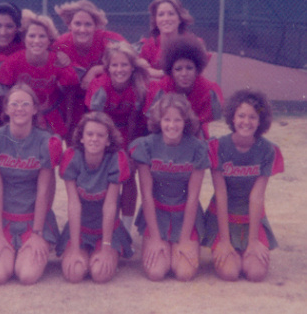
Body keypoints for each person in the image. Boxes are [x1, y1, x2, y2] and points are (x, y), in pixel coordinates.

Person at [0, 83, 62, 285]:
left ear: (34, 109)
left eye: (25, 104)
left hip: (34, 220)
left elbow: (45, 191)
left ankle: (33, 243)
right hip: (4, 220)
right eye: (14, 104)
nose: (20, 109)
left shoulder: (46, 141)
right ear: (6, 109)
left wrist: (37, 234)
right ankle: (5, 243)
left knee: (27, 275)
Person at [203, 89, 284, 282]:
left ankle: (249, 243)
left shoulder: (268, 150)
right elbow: (220, 193)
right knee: (229, 273)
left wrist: (254, 241)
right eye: (241, 115)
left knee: (255, 273)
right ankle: (226, 244)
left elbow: (256, 197)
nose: (246, 122)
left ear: (260, 120)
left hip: (251, 219)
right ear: (232, 116)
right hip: (223, 218)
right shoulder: (218, 146)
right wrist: (224, 241)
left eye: (252, 117)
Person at [129, 93, 210, 281]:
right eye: (167, 119)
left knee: (184, 273)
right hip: (157, 213)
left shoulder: (197, 148)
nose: (171, 125)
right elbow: (146, 196)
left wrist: (183, 240)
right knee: (156, 272)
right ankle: (160, 241)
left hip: (185, 215)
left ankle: (180, 243)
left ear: (185, 121)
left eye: (177, 120)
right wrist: (156, 239)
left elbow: (192, 197)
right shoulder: (147, 146)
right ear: (159, 120)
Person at [56, 111, 133, 283]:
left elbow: (110, 206)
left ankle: (108, 251)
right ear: (81, 137)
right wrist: (75, 248)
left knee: (100, 274)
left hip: (106, 230)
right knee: (74, 273)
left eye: (100, 135)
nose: (94, 139)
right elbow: (74, 205)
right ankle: (80, 250)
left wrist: (106, 248)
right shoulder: (72, 157)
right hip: (80, 229)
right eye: (89, 134)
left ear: (108, 140)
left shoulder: (115, 159)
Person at [85, 41, 149, 232]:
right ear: (108, 67)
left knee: (128, 177)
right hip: (105, 133)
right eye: (114, 65)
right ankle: (102, 225)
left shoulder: (139, 87)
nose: (119, 69)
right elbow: (96, 120)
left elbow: (137, 121)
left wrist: (129, 153)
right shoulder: (100, 85)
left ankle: (126, 229)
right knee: (104, 178)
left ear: (132, 67)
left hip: (131, 134)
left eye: (124, 65)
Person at [0, 9, 79, 139]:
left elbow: (70, 90)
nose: (37, 40)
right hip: (21, 115)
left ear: (49, 39)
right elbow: (3, 91)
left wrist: (68, 119)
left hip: (51, 114)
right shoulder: (13, 62)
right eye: (32, 36)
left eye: (42, 36)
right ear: (24, 38)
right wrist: (7, 116)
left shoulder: (57, 61)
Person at [54, 0, 127, 142]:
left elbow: (130, 59)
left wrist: (96, 70)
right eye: (77, 24)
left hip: (103, 102)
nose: (82, 29)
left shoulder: (107, 39)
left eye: (88, 24)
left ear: (96, 26)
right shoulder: (61, 44)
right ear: (69, 25)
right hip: (73, 99)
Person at [143, 35, 223, 139]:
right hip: (163, 137)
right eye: (178, 69)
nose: (184, 73)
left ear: (197, 69)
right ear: (170, 70)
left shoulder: (208, 90)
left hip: (194, 137)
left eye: (189, 68)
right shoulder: (161, 89)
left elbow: (201, 126)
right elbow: (152, 124)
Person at [137, 0, 209, 80]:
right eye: (161, 15)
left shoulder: (194, 44)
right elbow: (138, 70)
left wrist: (159, 73)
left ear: (180, 18)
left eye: (171, 14)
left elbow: (197, 77)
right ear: (155, 20)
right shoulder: (148, 46)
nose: (166, 19)